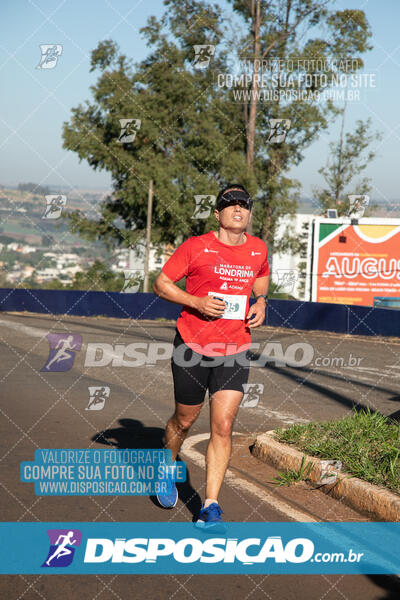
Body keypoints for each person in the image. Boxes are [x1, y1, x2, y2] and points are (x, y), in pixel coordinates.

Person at [153, 184, 269, 530]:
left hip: (234, 350)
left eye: (244, 205)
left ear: (249, 213)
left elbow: (260, 277)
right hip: (192, 347)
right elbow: (161, 283)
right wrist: (197, 302)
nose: (238, 209)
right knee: (184, 421)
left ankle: (210, 505)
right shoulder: (196, 246)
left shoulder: (258, 249)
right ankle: (166, 465)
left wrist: (261, 302)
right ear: (217, 213)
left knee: (223, 425)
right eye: (229, 204)